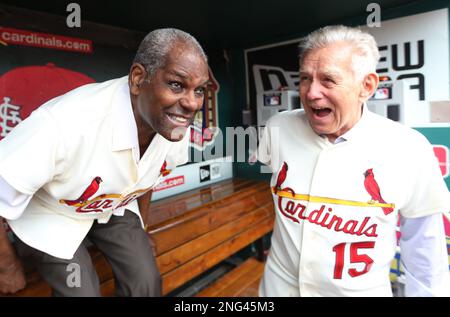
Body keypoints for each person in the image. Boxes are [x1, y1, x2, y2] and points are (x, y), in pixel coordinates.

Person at [0, 28, 209, 296]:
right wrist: (6, 266)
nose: (192, 104)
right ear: (138, 79)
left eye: (200, 90)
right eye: (176, 84)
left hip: (110, 207)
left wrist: (141, 229)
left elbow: (149, 176)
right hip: (51, 212)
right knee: (81, 290)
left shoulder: (173, 124)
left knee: (145, 282)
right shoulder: (64, 123)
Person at [257, 25, 450, 297]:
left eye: (328, 80)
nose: (311, 93)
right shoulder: (277, 128)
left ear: (366, 86)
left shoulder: (410, 148)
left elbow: (425, 256)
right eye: (304, 78)